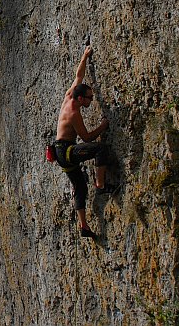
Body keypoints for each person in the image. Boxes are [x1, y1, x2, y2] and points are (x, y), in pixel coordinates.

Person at [53, 45, 116, 238]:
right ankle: (101, 185)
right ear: (80, 99)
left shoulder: (70, 95)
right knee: (100, 149)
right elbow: (87, 137)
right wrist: (103, 126)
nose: (91, 100)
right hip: (67, 151)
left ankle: (84, 227)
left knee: (80, 186)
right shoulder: (73, 112)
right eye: (89, 98)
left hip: (60, 153)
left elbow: (78, 77)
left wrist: (85, 56)